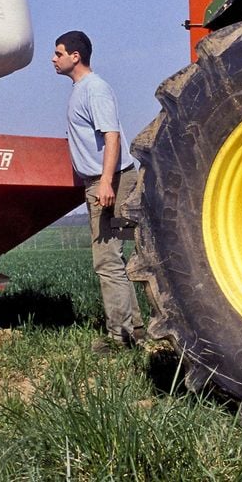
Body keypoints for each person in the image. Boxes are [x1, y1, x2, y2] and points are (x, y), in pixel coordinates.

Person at [53, 30, 145, 351]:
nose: (54, 59)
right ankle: (134, 330)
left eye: (58, 53)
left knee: (107, 261)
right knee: (114, 261)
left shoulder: (95, 89)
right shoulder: (82, 90)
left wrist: (105, 182)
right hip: (101, 181)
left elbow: (112, 136)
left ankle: (119, 338)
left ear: (75, 57)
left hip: (110, 181)